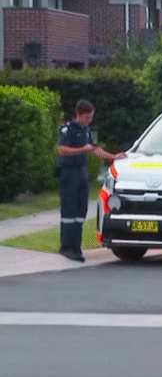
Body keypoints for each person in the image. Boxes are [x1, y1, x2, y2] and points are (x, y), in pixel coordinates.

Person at [57, 99, 125, 262]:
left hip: (81, 173)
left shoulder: (86, 130)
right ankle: (67, 246)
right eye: (86, 117)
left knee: (81, 211)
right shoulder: (68, 130)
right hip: (69, 173)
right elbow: (61, 149)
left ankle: (76, 245)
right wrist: (82, 149)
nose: (89, 120)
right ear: (78, 114)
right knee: (69, 211)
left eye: (91, 117)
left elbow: (94, 149)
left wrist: (113, 157)